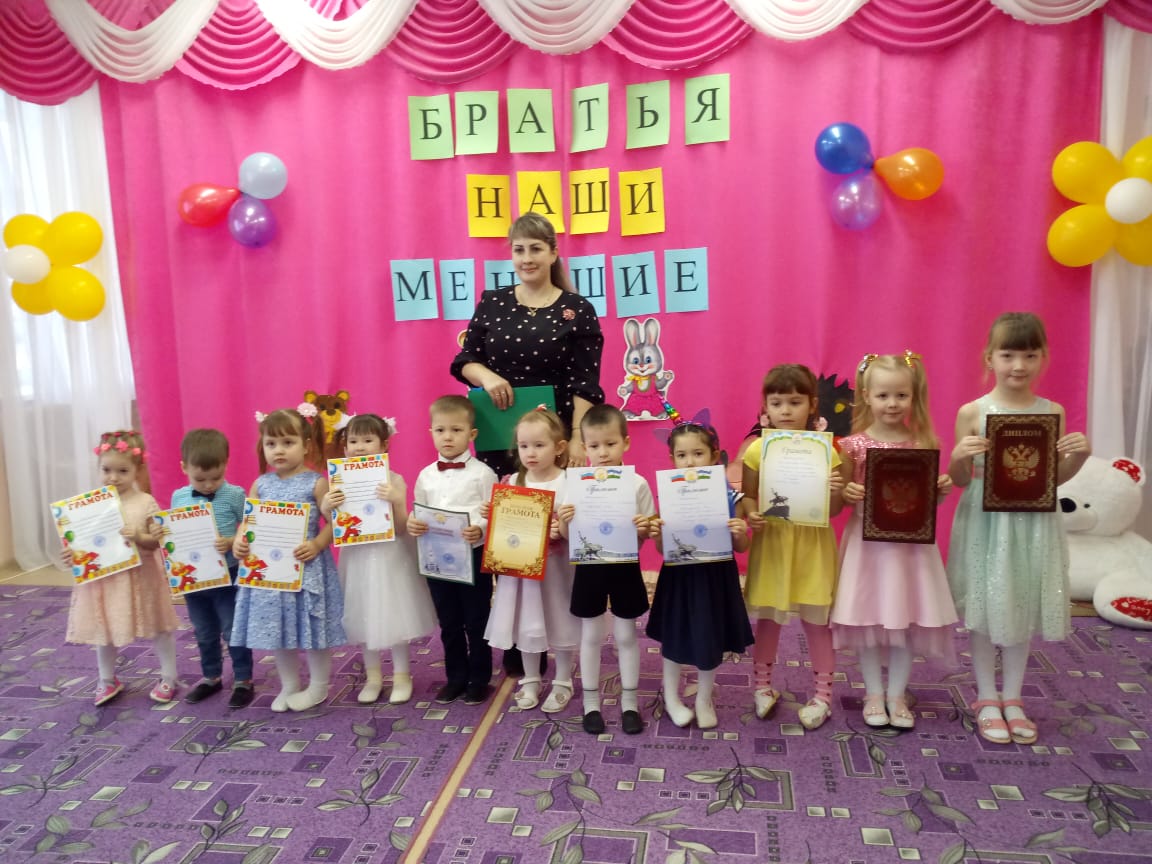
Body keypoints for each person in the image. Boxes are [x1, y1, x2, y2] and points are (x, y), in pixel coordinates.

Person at [451, 211, 604, 677]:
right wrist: (486, 375)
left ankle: (559, 635)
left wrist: (575, 438)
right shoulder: (493, 301)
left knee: (553, 541)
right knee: (510, 538)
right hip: (501, 442)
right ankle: (518, 638)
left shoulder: (576, 309)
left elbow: (585, 383)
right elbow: (464, 360)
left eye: (536, 248)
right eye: (519, 249)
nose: (527, 257)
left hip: (551, 444)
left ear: (553, 252)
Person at [947, 313, 1090, 744]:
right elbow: (958, 479)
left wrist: (1079, 457)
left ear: (1043, 357)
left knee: (1020, 603)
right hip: (986, 521)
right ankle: (986, 697)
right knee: (985, 606)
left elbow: (1053, 478)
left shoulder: (1052, 412)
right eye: (1008, 354)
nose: (1019, 365)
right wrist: (958, 456)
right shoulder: (973, 412)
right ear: (989, 357)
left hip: (1032, 521)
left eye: (1030, 355)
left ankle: (1013, 697)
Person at [830, 352, 958, 729]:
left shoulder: (923, 442)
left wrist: (939, 492)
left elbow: (923, 502)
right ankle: (874, 693)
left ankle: (897, 694)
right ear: (866, 396)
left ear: (913, 396)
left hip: (910, 550)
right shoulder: (851, 446)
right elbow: (839, 502)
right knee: (869, 618)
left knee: (905, 619)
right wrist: (846, 493)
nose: (892, 403)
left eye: (901, 395)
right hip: (867, 548)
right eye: (883, 395)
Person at [740, 365, 844, 730]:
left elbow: (836, 509)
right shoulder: (758, 450)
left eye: (795, 402)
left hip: (813, 545)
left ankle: (823, 696)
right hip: (773, 543)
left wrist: (835, 491)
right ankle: (762, 687)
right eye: (777, 403)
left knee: (817, 621)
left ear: (812, 405)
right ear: (765, 407)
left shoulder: (827, 451)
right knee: (768, 619)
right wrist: (752, 514)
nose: (785, 410)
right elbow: (749, 497)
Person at [231, 408, 345, 712]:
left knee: (313, 628)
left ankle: (318, 686)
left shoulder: (316, 483)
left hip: (307, 570)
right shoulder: (261, 484)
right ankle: (290, 685)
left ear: (306, 445)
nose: (278, 450)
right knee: (278, 628)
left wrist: (317, 544)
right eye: (271, 444)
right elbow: (248, 523)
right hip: (271, 574)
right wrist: (240, 541)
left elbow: (336, 523)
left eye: (287, 442)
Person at [322, 414, 436, 705]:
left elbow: (401, 527)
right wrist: (326, 507)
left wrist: (396, 501)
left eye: (368, 440)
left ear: (384, 445)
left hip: (390, 557)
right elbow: (335, 526)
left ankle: (401, 676)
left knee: (394, 615)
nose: (359, 447)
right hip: (357, 558)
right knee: (363, 614)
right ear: (345, 447)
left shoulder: (394, 480)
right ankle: (373, 677)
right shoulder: (338, 482)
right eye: (353, 441)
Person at [647, 421, 755, 729]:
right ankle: (671, 697)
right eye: (682, 455)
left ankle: (704, 698)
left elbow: (741, 546)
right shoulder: (669, 497)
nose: (690, 462)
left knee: (711, 634)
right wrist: (657, 533)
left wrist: (739, 532)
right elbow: (662, 548)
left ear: (714, 456)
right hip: (679, 577)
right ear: (672, 459)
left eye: (698, 453)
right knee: (674, 634)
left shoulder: (730, 497)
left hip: (715, 577)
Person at [557, 404, 655, 735]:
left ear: (626, 442)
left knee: (626, 635)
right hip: (589, 569)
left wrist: (643, 527)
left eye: (610, 444)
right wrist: (564, 521)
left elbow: (645, 535)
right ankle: (591, 704)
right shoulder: (574, 485)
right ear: (584, 447)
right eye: (594, 445)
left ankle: (630, 703)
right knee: (591, 635)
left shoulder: (637, 484)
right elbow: (568, 536)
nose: (602, 453)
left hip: (625, 567)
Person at [65, 430, 181, 706]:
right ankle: (106, 679)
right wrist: (72, 554)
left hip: (142, 578)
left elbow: (156, 543)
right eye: (106, 470)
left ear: (137, 471)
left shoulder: (145, 502)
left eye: (122, 471)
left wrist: (140, 536)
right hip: (106, 582)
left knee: (158, 626)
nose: (113, 478)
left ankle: (169, 676)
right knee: (104, 630)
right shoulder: (90, 505)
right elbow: (81, 545)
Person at [483, 409, 581, 713]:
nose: (531, 453)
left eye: (539, 445)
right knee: (527, 621)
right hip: (521, 572)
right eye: (524, 446)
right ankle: (531, 678)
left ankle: (563, 680)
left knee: (560, 618)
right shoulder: (513, 481)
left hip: (556, 569)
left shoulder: (569, 482)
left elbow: (579, 528)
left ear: (559, 447)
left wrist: (562, 528)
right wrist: (492, 516)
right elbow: (504, 530)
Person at [408, 395, 498, 705]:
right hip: (436, 557)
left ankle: (479, 678)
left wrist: (481, 528)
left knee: (476, 619)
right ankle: (455, 677)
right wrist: (413, 523)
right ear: (431, 432)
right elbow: (418, 510)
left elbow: (493, 512)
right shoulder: (425, 475)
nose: (448, 437)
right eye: (441, 430)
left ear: (472, 434)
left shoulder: (484, 474)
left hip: (472, 555)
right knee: (448, 621)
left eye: (456, 430)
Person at [160, 429, 253, 708]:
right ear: (184, 468)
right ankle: (211, 676)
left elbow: (251, 527)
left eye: (216, 477)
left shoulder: (235, 495)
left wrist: (232, 541)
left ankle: (243, 680)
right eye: (200, 479)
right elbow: (174, 535)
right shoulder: (179, 497)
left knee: (233, 628)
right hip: (194, 580)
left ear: (226, 465)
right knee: (203, 631)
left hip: (227, 576)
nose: (209, 485)